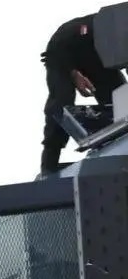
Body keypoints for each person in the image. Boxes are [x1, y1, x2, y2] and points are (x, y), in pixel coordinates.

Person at [41, 13, 123, 174]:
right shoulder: (109, 22)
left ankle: (115, 149)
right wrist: (73, 73)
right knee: (61, 102)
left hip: (98, 59)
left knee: (120, 101)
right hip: (63, 52)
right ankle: (49, 162)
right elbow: (60, 45)